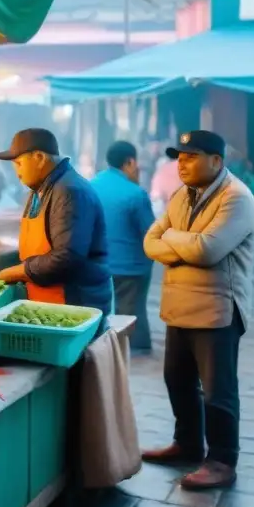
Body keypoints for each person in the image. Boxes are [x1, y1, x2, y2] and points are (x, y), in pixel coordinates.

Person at [142, 130, 254, 490]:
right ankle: (188, 444)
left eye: (191, 157)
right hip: (178, 307)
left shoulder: (236, 198)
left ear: (216, 161)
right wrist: (183, 242)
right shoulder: (181, 195)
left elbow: (207, 251)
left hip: (216, 310)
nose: (182, 164)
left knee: (217, 391)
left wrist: (173, 239)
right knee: (177, 381)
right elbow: (149, 242)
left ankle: (223, 460)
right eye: (179, 157)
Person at [0, 128, 112, 317]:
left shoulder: (69, 191)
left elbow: (66, 258)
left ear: (39, 157)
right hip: (48, 302)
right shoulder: (41, 189)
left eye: (18, 163)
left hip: (75, 304)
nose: (17, 173)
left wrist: (17, 272)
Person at [91, 141, 156, 353]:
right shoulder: (135, 194)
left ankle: (103, 349)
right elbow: (150, 232)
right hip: (131, 266)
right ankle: (135, 350)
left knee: (101, 309)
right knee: (132, 310)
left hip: (98, 264)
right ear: (130, 162)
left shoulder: (91, 186)